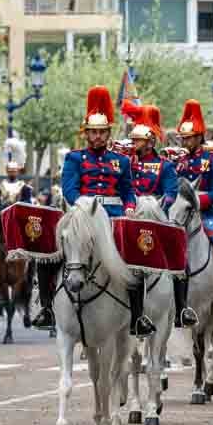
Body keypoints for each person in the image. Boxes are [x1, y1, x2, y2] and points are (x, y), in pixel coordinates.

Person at [56, 86, 154, 337]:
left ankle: (137, 317)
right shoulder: (74, 159)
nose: (97, 136)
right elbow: (69, 189)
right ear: (86, 134)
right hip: (81, 215)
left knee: (136, 262)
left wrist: (131, 207)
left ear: (108, 133)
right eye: (93, 132)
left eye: (101, 132)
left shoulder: (120, 161)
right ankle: (47, 307)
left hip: (114, 218)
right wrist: (82, 207)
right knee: (51, 254)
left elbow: (128, 191)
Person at [129, 105, 193, 326]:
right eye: (133, 140)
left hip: (156, 217)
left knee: (180, 256)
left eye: (138, 141)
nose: (134, 144)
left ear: (150, 142)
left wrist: (156, 206)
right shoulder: (127, 163)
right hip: (131, 217)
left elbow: (171, 193)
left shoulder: (164, 166)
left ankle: (181, 309)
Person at [173, 99, 213, 324]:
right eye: (183, 138)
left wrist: (199, 200)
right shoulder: (178, 162)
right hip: (180, 215)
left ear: (200, 137)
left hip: (205, 214)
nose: (186, 141)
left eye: (189, 137)